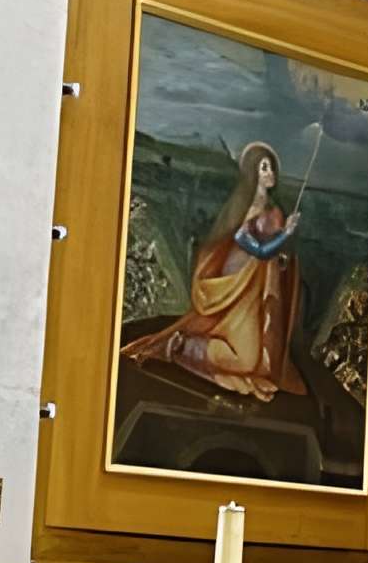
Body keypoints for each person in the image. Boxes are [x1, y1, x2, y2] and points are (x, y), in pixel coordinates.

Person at [123, 140, 307, 401]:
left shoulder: (273, 211)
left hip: (256, 297)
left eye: (271, 168)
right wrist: (284, 235)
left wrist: (284, 250)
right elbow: (256, 249)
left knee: (259, 364)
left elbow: (275, 255)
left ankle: (190, 346)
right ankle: (183, 346)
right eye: (264, 168)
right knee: (245, 362)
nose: (270, 174)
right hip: (235, 293)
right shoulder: (245, 211)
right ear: (252, 172)